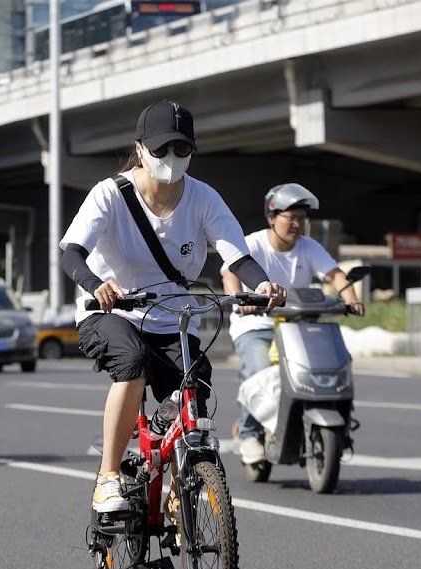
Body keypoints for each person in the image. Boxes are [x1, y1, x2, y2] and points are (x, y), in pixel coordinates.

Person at [59, 100, 286, 514]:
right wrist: (97, 285)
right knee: (131, 362)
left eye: (182, 150)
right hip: (110, 311)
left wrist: (263, 283)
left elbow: (236, 255)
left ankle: (181, 489)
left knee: (196, 381)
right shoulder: (110, 194)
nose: (171, 159)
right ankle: (108, 476)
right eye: (161, 149)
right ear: (141, 148)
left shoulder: (204, 198)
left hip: (169, 314)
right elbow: (71, 254)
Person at [221, 182, 364, 465]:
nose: (298, 225)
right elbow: (230, 273)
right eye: (291, 217)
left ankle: (338, 423)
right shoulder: (252, 244)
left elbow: (335, 275)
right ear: (272, 218)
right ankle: (249, 434)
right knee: (262, 372)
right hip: (255, 325)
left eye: (302, 218)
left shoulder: (309, 247)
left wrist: (351, 298)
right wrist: (239, 300)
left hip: (296, 325)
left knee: (335, 362)